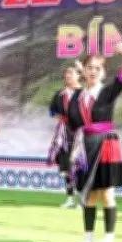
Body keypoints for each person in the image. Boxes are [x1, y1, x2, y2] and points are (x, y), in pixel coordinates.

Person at [67, 43, 122, 242]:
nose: (93, 71)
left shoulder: (107, 92)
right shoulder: (78, 96)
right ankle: (88, 238)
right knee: (90, 195)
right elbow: (74, 122)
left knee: (106, 193)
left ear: (103, 72)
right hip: (86, 147)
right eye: (90, 68)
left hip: (105, 145)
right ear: (84, 71)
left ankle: (109, 238)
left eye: (98, 68)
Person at [49, 63, 82, 209]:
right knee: (67, 167)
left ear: (78, 75)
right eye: (66, 73)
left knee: (80, 165)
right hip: (64, 133)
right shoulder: (60, 94)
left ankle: (82, 199)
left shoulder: (83, 93)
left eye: (71, 73)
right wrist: (62, 119)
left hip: (80, 132)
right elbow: (52, 111)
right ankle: (70, 198)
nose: (68, 76)